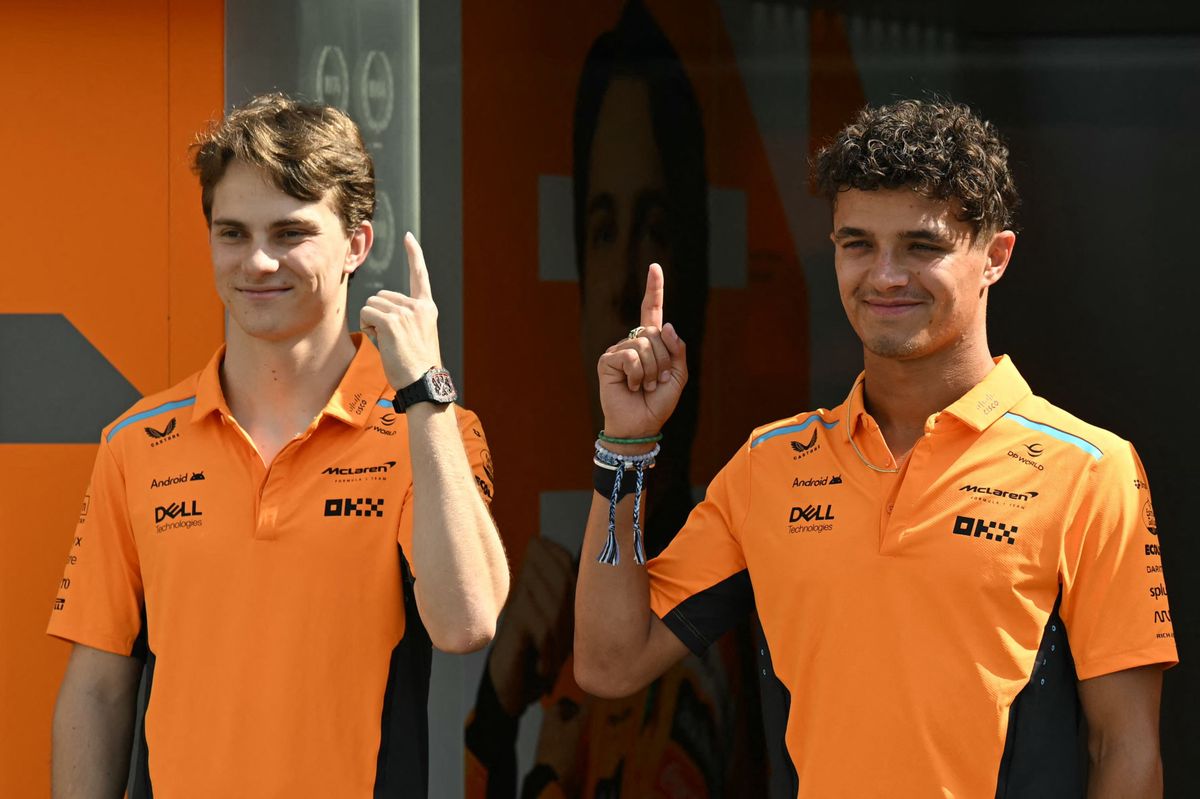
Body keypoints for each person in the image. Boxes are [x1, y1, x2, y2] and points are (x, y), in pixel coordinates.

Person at [574, 98, 1178, 798]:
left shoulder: (1092, 470)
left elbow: (1126, 748)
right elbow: (609, 661)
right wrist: (626, 441)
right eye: (857, 243)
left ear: (996, 257)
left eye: (922, 246)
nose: (885, 275)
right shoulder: (768, 464)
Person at [47, 94, 509, 798]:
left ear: (357, 244)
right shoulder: (137, 442)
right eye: (232, 233)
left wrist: (424, 392)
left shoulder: (430, 426)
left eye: (290, 232)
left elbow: (467, 621)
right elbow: (99, 690)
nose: (258, 261)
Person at [465, 2, 766, 796]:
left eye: (655, 225)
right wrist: (493, 716)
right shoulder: (566, 604)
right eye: (602, 229)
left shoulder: (710, 593)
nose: (629, 275)